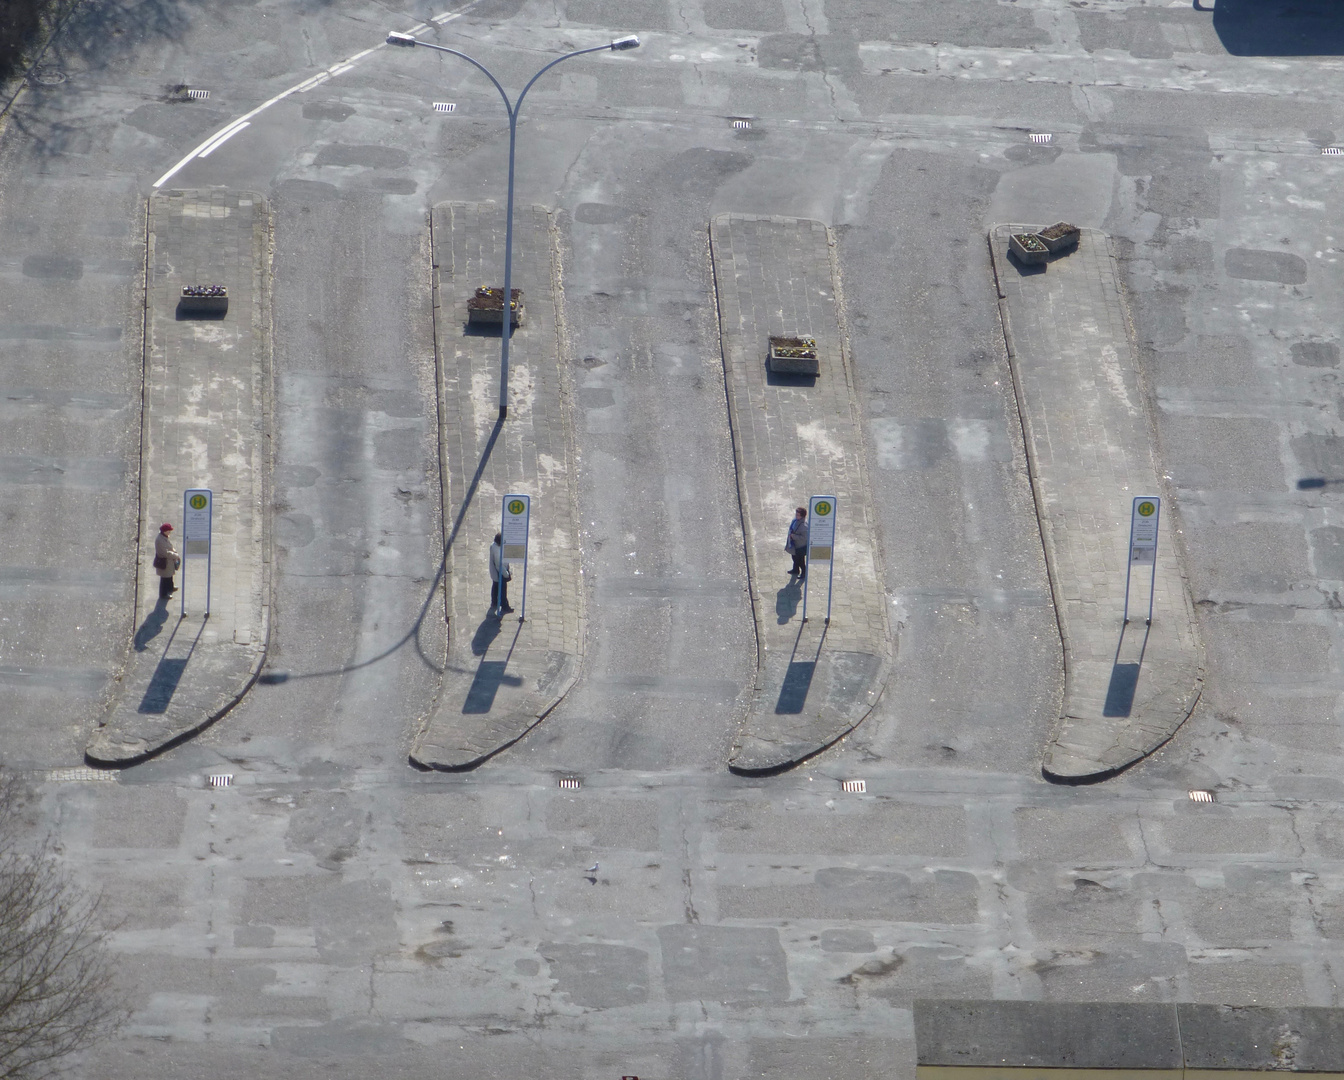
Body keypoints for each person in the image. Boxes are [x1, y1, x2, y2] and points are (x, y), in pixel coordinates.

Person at [489, 532, 513, 615]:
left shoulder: (493, 546)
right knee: (502, 590)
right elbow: (500, 565)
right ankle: (505, 606)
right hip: (500, 573)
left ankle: (494, 602)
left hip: (494, 572)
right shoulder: (498, 550)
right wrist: (507, 574)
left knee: (495, 586)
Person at [154, 522, 180, 599]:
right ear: (164, 531)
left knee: (169, 576)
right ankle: (164, 594)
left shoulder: (164, 537)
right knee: (165, 578)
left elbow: (169, 547)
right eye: (169, 531)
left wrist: (173, 551)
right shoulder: (160, 540)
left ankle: (170, 588)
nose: (170, 532)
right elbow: (165, 553)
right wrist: (175, 555)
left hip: (169, 562)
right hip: (165, 562)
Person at [786, 506, 809, 581]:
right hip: (794, 544)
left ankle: (804, 573)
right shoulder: (795, 521)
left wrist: (794, 536)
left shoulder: (804, 526)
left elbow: (804, 538)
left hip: (800, 546)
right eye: (796, 514)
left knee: (800, 561)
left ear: (802, 516)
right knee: (794, 557)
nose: (796, 516)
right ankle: (795, 570)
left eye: (798, 515)